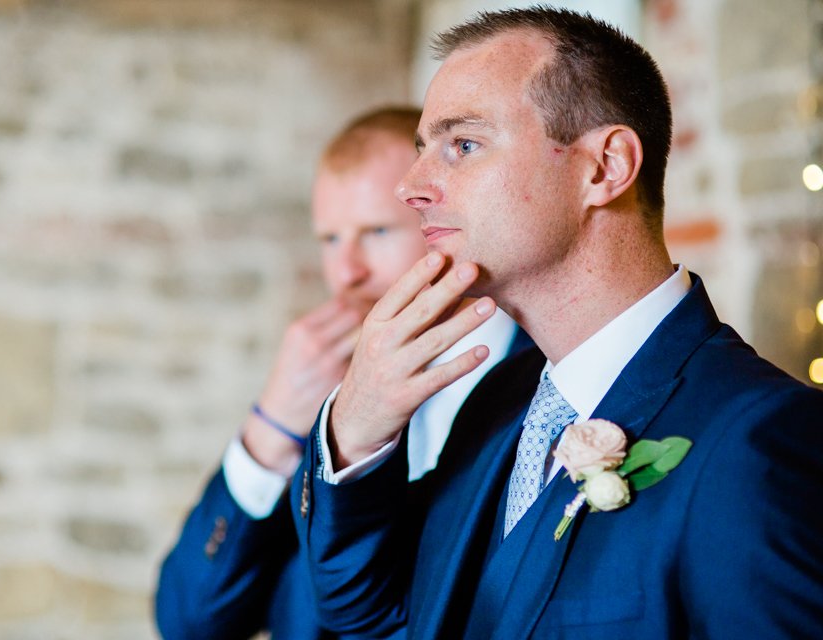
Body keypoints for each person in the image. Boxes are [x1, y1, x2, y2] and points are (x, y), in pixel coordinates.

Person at [292, 8, 823, 640]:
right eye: (422, 150)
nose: (411, 186)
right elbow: (375, 618)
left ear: (604, 168)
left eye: (462, 145)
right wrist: (355, 426)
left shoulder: (758, 441)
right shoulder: (498, 407)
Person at [154, 106, 528, 639]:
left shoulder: (544, 382)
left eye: (375, 231)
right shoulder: (316, 394)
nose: (346, 271)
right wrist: (272, 426)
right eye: (329, 239)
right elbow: (190, 622)